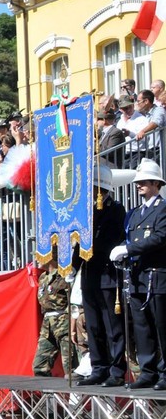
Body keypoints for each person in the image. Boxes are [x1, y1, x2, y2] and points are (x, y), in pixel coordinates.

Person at [110, 159, 166, 390]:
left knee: (161, 326)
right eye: (138, 182)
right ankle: (148, 371)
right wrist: (123, 251)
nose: (139, 185)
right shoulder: (134, 213)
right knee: (142, 327)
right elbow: (129, 238)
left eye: (144, 182)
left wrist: (129, 249)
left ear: (156, 184)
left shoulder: (163, 209)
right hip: (136, 276)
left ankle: (164, 372)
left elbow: (160, 237)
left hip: (156, 275)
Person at [75, 164, 127, 387]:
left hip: (107, 274)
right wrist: (74, 267)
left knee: (112, 325)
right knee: (93, 325)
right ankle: (99, 367)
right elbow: (80, 242)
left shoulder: (115, 210)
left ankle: (116, 370)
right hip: (89, 275)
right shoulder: (85, 211)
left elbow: (109, 240)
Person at [32, 253, 75, 378]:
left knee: (70, 367)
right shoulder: (43, 277)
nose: (36, 259)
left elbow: (72, 300)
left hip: (63, 322)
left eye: (39, 255)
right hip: (47, 325)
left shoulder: (64, 274)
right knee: (39, 366)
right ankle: (46, 390)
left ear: (50, 256)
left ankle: (75, 392)